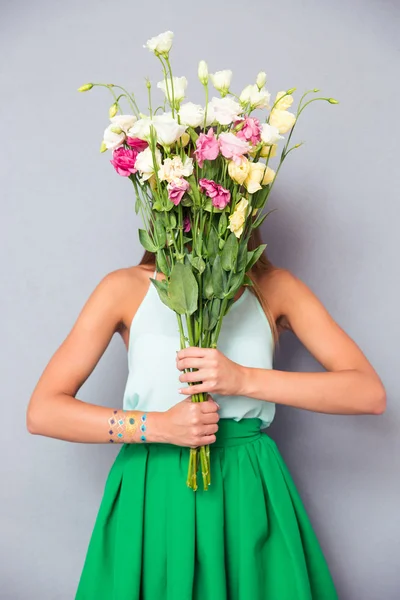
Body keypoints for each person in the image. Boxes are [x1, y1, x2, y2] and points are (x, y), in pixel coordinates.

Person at [26, 227, 386, 600]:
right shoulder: (124, 287)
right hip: (154, 486)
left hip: (245, 485)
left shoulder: (275, 287)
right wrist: (156, 426)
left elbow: (367, 393)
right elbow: (43, 411)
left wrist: (243, 379)